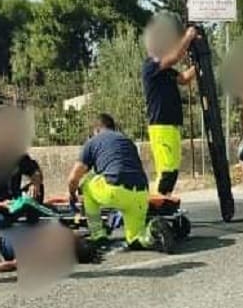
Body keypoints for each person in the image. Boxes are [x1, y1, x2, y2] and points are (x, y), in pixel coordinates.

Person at [66, 113, 173, 252]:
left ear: (96, 130)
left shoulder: (93, 142)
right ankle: (152, 232)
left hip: (115, 189)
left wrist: (72, 194)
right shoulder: (127, 141)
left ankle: (98, 235)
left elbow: (73, 178)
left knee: (86, 183)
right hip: (140, 193)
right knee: (135, 239)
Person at [141, 20, 197, 196]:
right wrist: (188, 36)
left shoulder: (166, 70)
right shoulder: (151, 66)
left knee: (171, 170)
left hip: (171, 125)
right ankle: (158, 206)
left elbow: (185, 79)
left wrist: (200, 63)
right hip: (161, 125)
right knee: (167, 171)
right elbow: (175, 56)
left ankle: (163, 201)